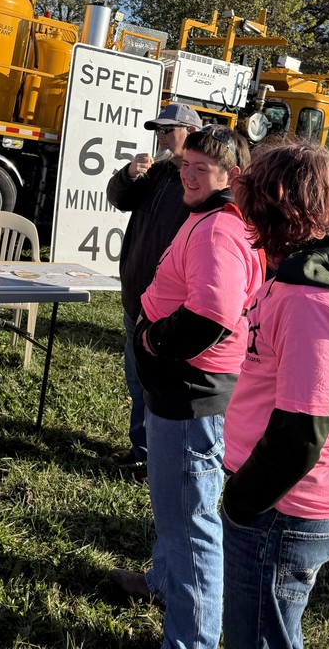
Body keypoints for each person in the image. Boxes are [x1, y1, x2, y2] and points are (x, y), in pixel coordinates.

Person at [221, 142, 329, 649]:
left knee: (258, 637)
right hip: (279, 497)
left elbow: (300, 433)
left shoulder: (307, 300)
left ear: (273, 206)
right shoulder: (293, 275)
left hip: (283, 505)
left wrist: (241, 503)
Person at [116, 125, 264, 649]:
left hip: (191, 393)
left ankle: (192, 639)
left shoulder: (218, 229)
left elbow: (211, 316)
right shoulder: (214, 217)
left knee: (190, 520)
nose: (188, 176)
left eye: (202, 169)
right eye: (186, 165)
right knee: (177, 508)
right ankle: (163, 581)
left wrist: (152, 340)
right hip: (185, 390)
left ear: (232, 176)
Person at [105, 103, 201, 474]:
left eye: (167, 130)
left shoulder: (200, 183)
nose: (160, 137)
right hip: (136, 297)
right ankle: (142, 448)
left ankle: (159, 456)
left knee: (161, 385)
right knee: (137, 380)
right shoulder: (157, 172)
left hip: (169, 306)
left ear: (191, 132)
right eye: (157, 130)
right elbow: (119, 198)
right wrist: (129, 174)